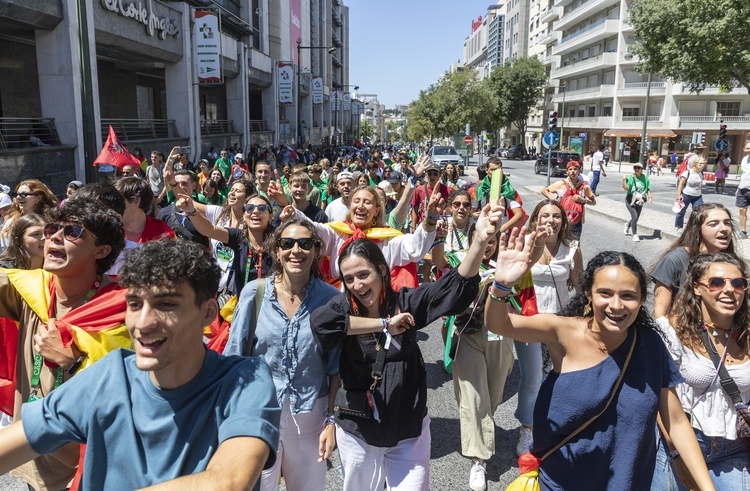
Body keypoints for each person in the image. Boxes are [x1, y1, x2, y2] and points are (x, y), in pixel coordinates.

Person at [0, 239, 281, 490]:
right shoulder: (111, 374)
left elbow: (229, 481)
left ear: (207, 312)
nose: (143, 324)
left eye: (166, 304)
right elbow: (19, 439)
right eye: (134, 305)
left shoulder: (245, 380)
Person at [485, 235, 716, 491]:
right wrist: (502, 286)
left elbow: (676, 420)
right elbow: (499, 324)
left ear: (641, 300)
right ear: (588, 293)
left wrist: (707, 487)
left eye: (628, 296)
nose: (616, 305)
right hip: (560, 483)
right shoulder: (562, 331)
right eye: (605, 293)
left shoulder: (650, 344)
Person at [310, 201, 505, 491]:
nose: (357, 285)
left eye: (364, 275)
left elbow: (452, 287)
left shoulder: (406, 301)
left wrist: (479, 240)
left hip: (408, 430)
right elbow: (322, 326)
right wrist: (384, 325)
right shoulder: (342, 306)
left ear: (382, 270)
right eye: (348, 278)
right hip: (358, 431)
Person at [0, 198, 131, 490]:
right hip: (33, 455)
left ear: (102, 250)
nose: (55, 237)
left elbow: (129, 392)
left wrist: (71, 363)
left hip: (89, 465)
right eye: (52, 229)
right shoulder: (29, 290)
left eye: (72, 231)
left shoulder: (123, 309)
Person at [225, 220, 340, 491]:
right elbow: (235, 357)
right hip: (260, 412)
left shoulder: (331, 299)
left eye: (305, 243)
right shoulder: (255, 292)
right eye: (287, 243)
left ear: (315, 251)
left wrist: (331, 421)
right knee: (259, 486)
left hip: (311, 414)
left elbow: (336, 368)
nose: (295, 250)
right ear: (276, 250)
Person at [651, 253, 750, 490]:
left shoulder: (747, 333)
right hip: (680, 444)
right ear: (697, 288)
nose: (729, 290)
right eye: (717, 282)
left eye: (738, 283)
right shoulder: (671, 330)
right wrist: (675, 453)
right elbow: (661, 400)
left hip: (734, 449)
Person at [433, 216, 515, 491]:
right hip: (466, 334)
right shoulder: (461, 262)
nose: (488, 245)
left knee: (492, 394)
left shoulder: (505, 264)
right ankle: (478, 458)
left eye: (493, 241)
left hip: (499, 336)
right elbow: (439, 264)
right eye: (483, 240)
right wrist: (439, 236)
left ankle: (483, 430)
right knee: (472, 397)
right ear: (473, 239)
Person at [650, 203, 737, 319]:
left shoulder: (731, 263)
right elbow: (660, 315)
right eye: (714, 224)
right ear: (698, 229)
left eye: (727, 223)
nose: (724, 229)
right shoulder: (674, 261)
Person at [176, 193, 274, 295]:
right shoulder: (238, 236)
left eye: (262, 208)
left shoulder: (279, 240)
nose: (255, 211)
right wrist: (192, 212)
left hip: (270, 305)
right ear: (244, 216)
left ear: (271, 216)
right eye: (249, 208)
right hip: (243, 305)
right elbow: (210, 230)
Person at [109, 177, 175, 275]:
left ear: (136, 201)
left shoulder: (164, 233)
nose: (111, 207)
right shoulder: (107, 230)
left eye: (117, 201)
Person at [541, 160, 596, 239]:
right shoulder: (562, 184)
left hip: (576, 221)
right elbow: (544, 190)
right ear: (567, 171)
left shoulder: (584, 186)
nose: (573, 171)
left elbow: (593, 202)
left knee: (575, 245)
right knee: (561, 243)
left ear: (579, 171)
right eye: (570, 169)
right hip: (562, 220)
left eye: (575, 169)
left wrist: (583, 200)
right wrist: (553, 199)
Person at [1, 180, 58, 250]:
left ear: (38, 198)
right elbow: (6, 249)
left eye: (24, 194)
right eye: (17, 194)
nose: (18, 197)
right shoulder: (11, 223)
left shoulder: (52, 221)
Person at [622, 162, 653, 242]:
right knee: (635, 216)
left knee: (636, 218)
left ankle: (628, 225)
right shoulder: (630, 178)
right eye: (635, 168)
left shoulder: (645, 178)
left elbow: (648, 188)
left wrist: (650, 198)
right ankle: (635, 235)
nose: (636, 169)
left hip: (640, 200)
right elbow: (626, 188)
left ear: (642, 169)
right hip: (630, 199)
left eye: (638, 168)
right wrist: (624, 180)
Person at [675, 154, 706, 232]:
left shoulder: (701, 173)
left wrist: (701, 195)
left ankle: (695, 228)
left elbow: (700, 185)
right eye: (700, 164)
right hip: (686, 194)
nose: (702, 165)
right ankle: (678, 226)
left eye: (703, 163)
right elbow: (681, 184)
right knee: (681, 211)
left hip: (697, 196)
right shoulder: (687, 173)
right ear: (695, 164)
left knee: (698, 212)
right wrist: (679, 195)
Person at [735, 141, 750, 238]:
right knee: (742, 210)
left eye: (749, 148)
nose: (747, 151)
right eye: (746, 148)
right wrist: (738, 187)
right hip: (743, 188)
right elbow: (743, 174)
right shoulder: (744, 159)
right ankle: (743, 231)